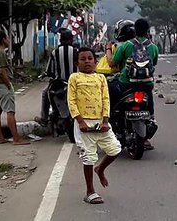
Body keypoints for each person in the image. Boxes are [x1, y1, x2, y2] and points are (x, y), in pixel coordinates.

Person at [68, 47, 120, 205]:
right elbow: (71, 101)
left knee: (115, 150)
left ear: (96, 62)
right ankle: (90, 191)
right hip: (83, 124)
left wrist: (105, 120)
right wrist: (80, 121)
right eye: (83, 59)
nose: (87, 62)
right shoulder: (74, 78)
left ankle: (101, 169)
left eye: (90, 58)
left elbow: (106, 99)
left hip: (100, 122)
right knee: (88, 158)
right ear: (77, 63)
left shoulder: (101, 78)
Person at [106, 18, 159, 150]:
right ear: (147, 31)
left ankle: (108, 119)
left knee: (107, 88)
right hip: (146, 85)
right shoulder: (153, 47)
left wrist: (108, 49)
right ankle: (151, 117)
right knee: (148, 96)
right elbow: (154, 63)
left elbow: (112, 63)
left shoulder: (126, 45)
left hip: (126, 84)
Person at [0, 27, 29, 145]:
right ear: (3, 40)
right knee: (10, 111)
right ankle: (16, 139)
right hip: (1, 84)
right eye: (8, 38)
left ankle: (0, 137)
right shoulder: (1, 53)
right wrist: (8, 84)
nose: (9, 41)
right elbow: (2, 71)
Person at [34, 28, 77, 126]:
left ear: (61, 40)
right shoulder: (76, 51)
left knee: (45, 94)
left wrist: (47, 74)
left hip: (58, 83)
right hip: (74, 83)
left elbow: (50, 71)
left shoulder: (55, 52)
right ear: (71, 40)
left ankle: (44, 119)